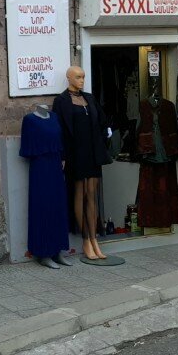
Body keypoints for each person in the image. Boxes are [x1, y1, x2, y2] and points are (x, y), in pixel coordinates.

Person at [52, 66, 112, 261]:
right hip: (75, 154)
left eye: (83, 77)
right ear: (68, 77)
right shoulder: (61, 101)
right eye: (78, 77)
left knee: (92, 195)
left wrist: (105, 137)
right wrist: (62, 156)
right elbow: (59, 130)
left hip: (93, 153)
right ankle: (85, 239)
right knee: (79, 194)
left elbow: (102, 122)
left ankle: (94, 238)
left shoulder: (90, 98)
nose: (82, 80)